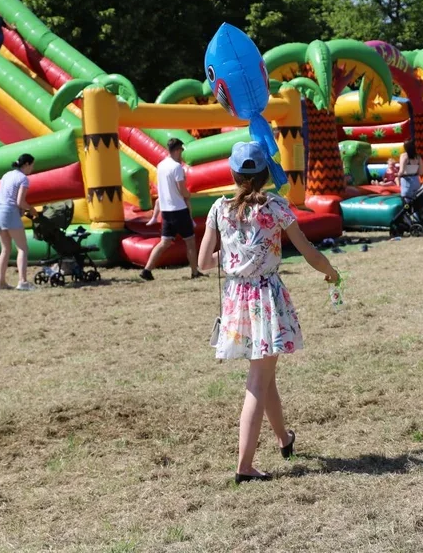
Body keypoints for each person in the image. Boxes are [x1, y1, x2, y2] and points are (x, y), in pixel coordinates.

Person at [198, 142, 339, 484]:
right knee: (258, 381)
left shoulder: (218, 208)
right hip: (265, 297)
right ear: (264, 175)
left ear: (233, 173)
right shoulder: (277, 206)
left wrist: (237, 259)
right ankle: (244, 466)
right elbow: (306, 249)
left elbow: (203, 263)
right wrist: (331, 271)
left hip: (235, 299)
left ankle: (284, 440)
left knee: (265, 373)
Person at [141, 138, 202, 280]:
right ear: (177, 150)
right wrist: (188, 195)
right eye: (180, 151)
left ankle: (147, 269)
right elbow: (182, 190)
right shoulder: (176, 167)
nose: (181, 155)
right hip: (179, 209)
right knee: (190, 241)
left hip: (166, 210)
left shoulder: (161, 165)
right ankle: (194, 272)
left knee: (164, 243)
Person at [0, 154, 36, 291]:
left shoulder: (7, 175)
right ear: (26, 165)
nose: (32, 168)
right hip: (9, 212)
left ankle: (1, 282)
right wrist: (31, 209)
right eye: (32, 165)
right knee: (22, 248)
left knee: (5, 249)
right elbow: (20, 202)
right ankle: (22, 281)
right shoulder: (23, 179)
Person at [397, 139, 423, 204]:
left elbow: (401, 171)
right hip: (416, 181)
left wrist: (397, 176)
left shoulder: (404, 156)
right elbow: (421, 172)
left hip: (407, 181)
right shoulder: (418, 157)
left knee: (407, 204)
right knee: (416, 204)